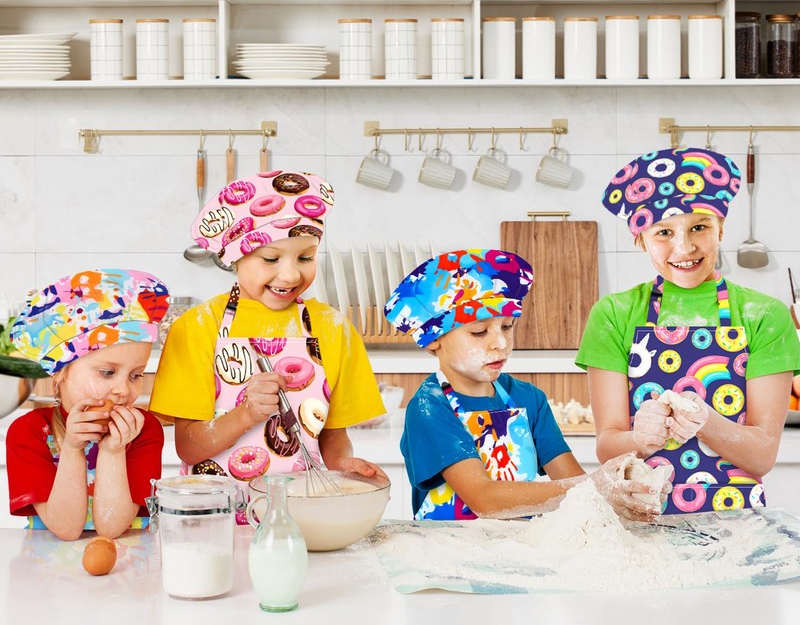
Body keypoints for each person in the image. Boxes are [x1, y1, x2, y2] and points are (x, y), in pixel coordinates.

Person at [149, 171, 386, 518]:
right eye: (271, 259)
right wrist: (246, 414)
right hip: (218, 521)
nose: (291, 275)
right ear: (234, 257)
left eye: (305, 258)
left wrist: (344, 466)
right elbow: (189, 448)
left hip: (301, 517)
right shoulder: (197, 327)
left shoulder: (332, 328)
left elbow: (332, 436)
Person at [577, 146, 800, 514]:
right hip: (641, 522)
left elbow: (761, 457)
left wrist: (706, 422)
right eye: (664, 232)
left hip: (736, 525)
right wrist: (640, 439)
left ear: (721, 229)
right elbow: (607, 447)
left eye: (699, 227)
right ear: (640, 239)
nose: (684, 247)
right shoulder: (613, 314)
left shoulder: (764, 314)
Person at [384, 248, 664, 521]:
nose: (500, 343)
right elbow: (484, 500)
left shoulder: (529, 399)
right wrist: (596, 487)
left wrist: (623, 491)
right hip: (449, 547)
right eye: (479, 331)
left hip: (521, 546)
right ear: (433, 339)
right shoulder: (430, 407)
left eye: (507, 326)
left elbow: (572, 481)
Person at [6, 268, 170, 540]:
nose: (123, 390)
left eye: (135, 375)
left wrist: (113, 451)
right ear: (61, 372)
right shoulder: (29, 432)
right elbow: (66, 529)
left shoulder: (144, 430)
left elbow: (112, 528)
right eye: (107, 372)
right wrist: (72, 449)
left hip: (126, 561)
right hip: (48, 564)